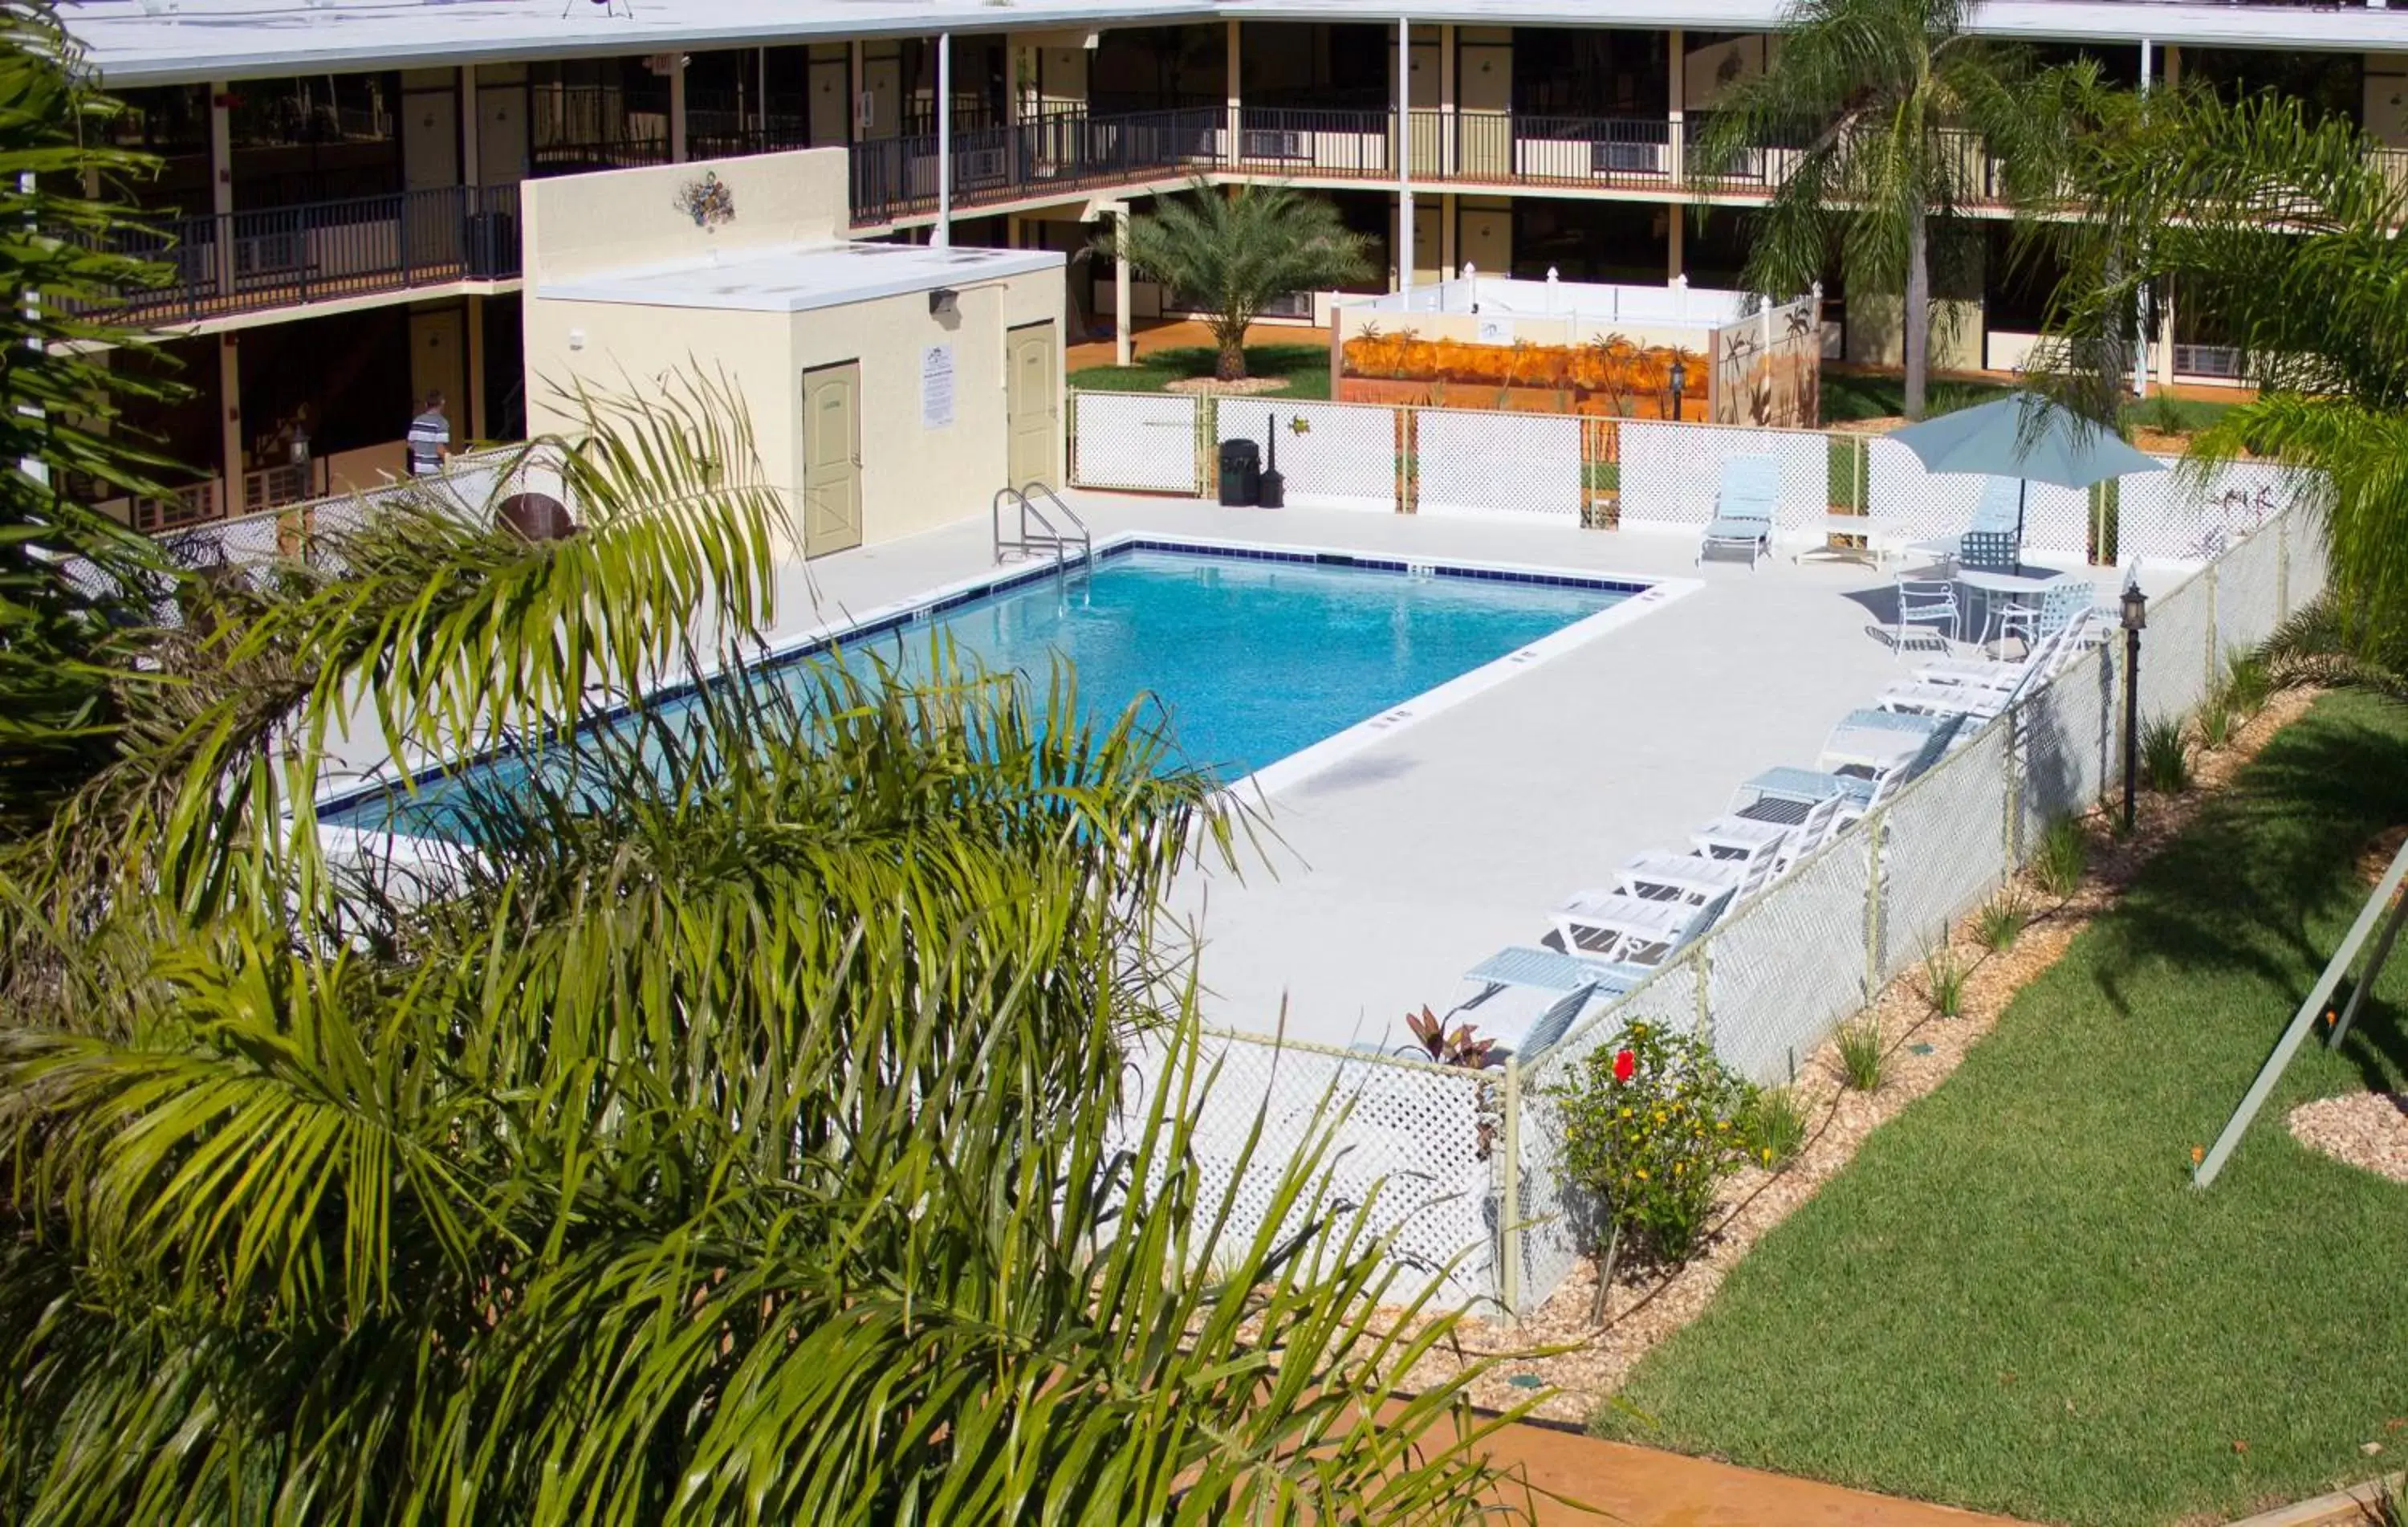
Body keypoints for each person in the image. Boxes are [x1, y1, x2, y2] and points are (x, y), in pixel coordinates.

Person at [406, 391, 451, 478]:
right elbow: (440, 450)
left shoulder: (417, 421)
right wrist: (453, 460)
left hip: (419, 469)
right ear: (442, 403)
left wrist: (423, 450)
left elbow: (410, 444)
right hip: (435, 471)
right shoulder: (442, 422)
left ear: (426, 404)